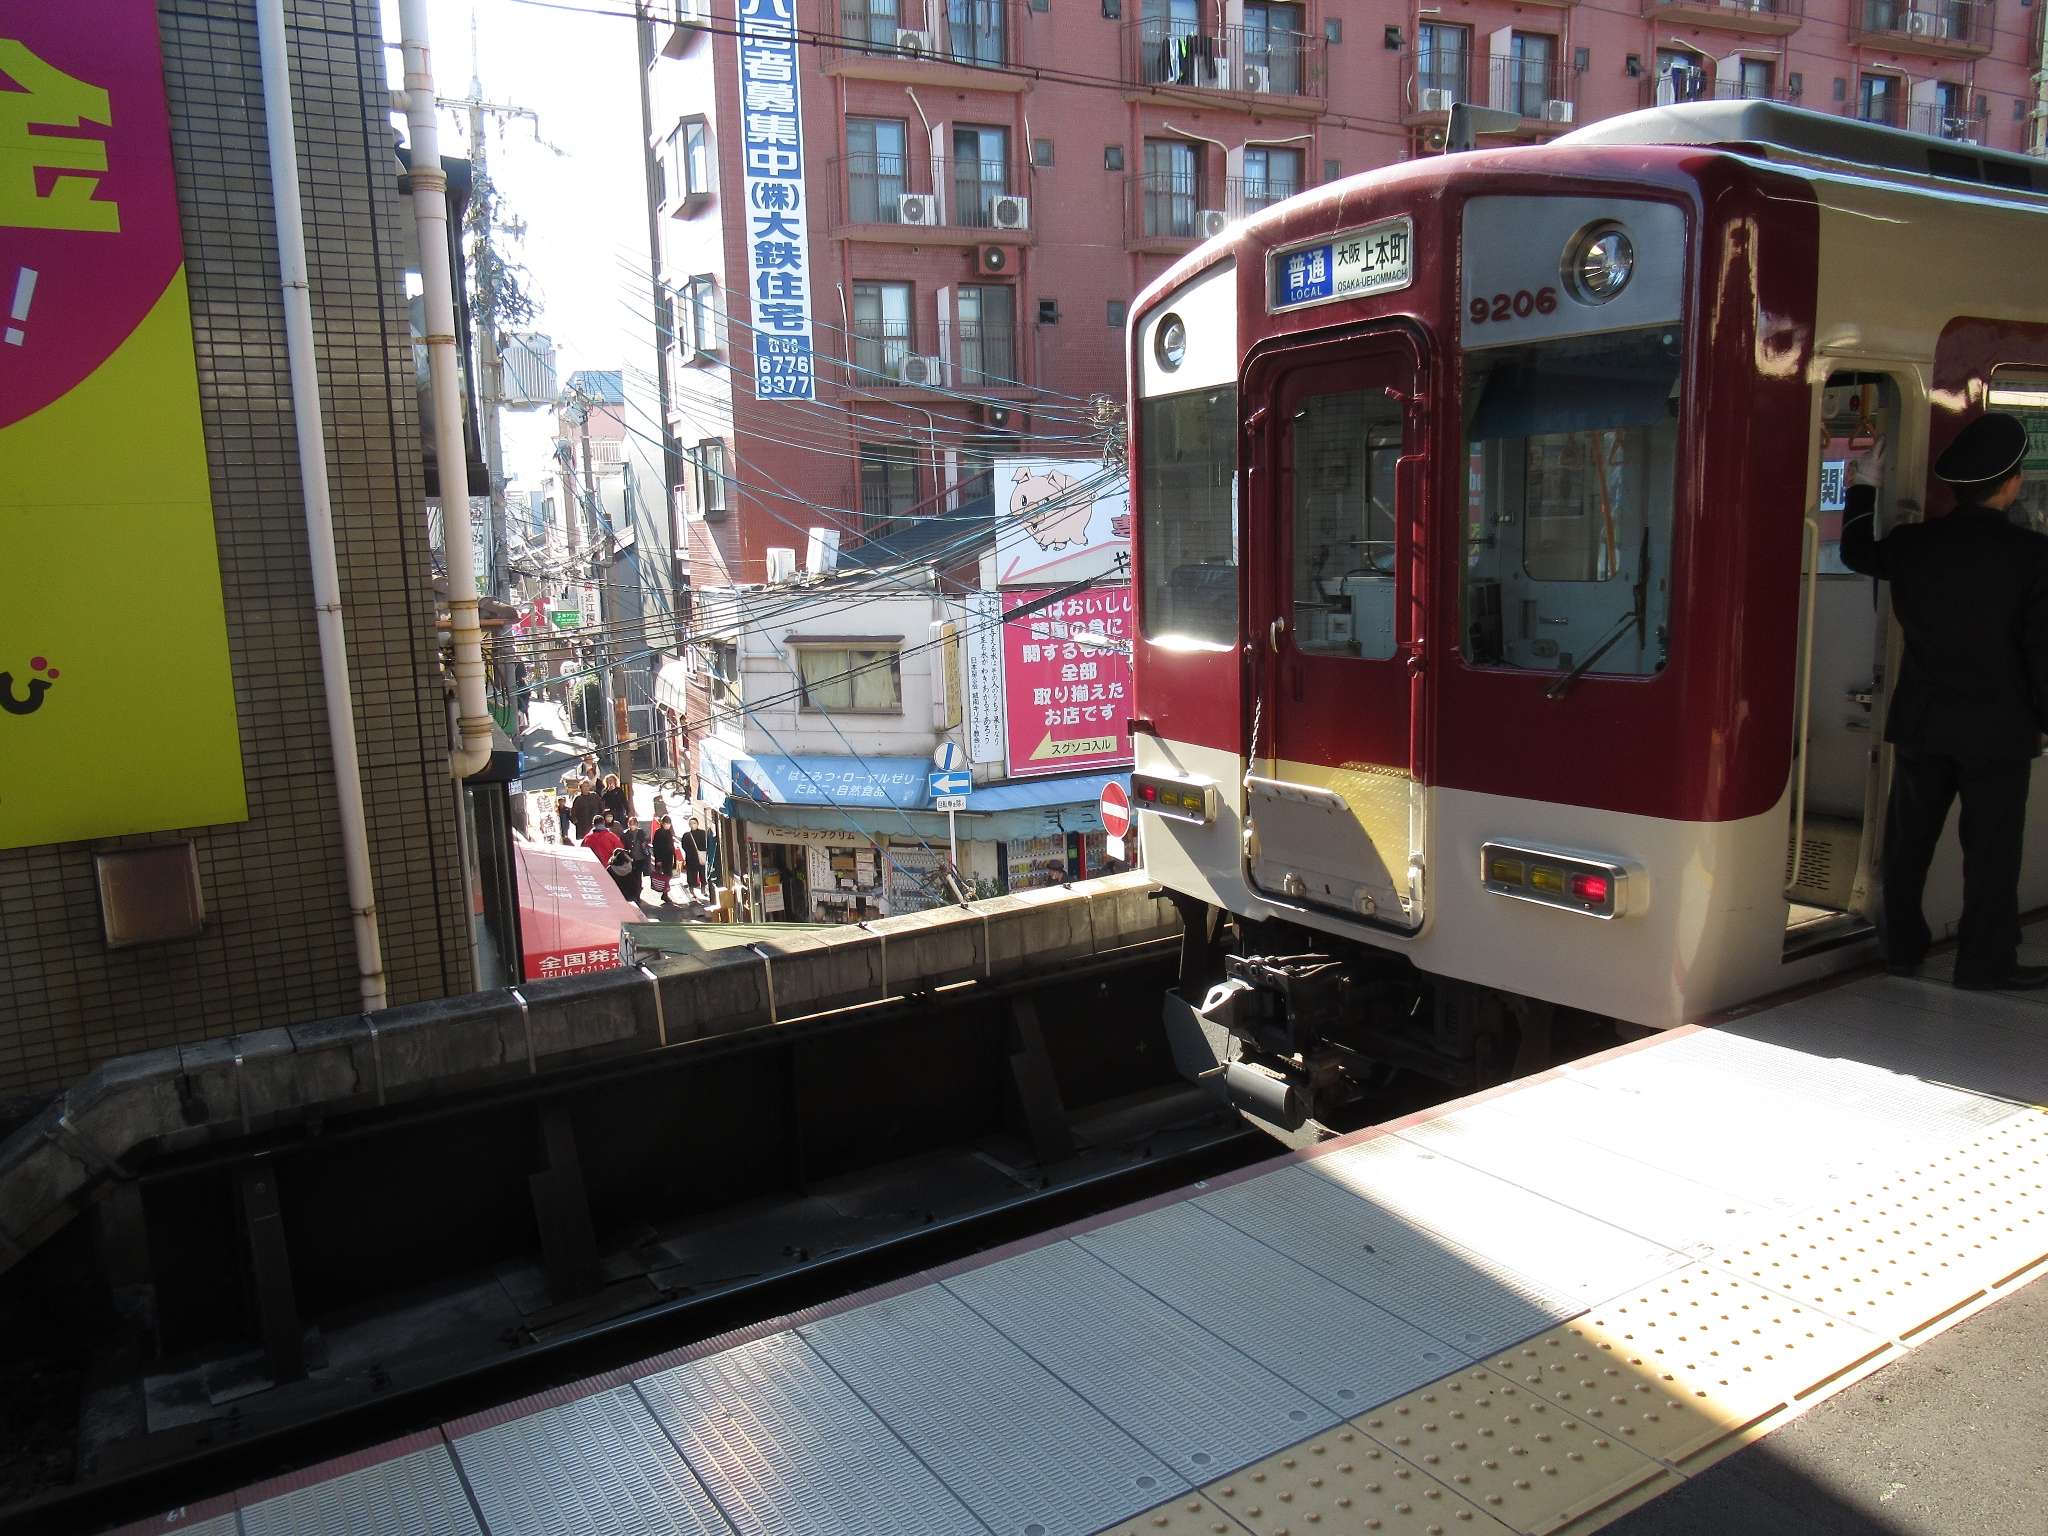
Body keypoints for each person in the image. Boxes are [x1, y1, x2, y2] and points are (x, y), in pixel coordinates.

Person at [1840, 411, 2048, 990]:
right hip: (1999, 732)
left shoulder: (1914, 545)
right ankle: (1984, 964)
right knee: (1991, 853)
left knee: (1909, 844)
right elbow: (2040, 652)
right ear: (2011, 483)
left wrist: (1864, 482)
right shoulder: (2033, 556)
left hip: (1923, 722)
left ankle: (1903, 949)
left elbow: (1856, 551)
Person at [650, 816, 678, 905]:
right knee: (665, 876)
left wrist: (675, 858)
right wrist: (658, 859)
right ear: (662, 823)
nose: (668, 825)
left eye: (669, 824)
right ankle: (664, 893)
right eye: (666, 823)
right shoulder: (658, 833)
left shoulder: (669, 832)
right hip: (662, 859)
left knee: (668, 876)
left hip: (669, 858)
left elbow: (671, 846)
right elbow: (656, 847)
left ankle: (665, 893)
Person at [681, 816, 709, 898]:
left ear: (697, 824)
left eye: (694, 823)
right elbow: (684, 846)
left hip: (700, 858)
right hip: (691, 858)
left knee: (702, 874)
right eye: (691, 823)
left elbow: (706, 845)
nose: (692, 825)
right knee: (691, 875)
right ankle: (692, 891)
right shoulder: (686, 835)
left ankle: (703, 890)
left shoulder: (703, 833)